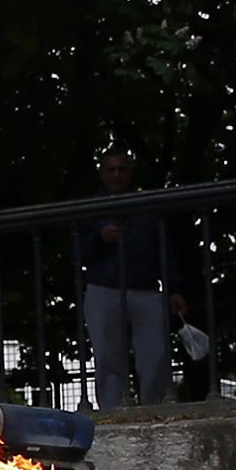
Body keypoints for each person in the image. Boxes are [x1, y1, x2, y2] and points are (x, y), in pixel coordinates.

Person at [75, 148, 179, 410]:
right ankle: (113, 410)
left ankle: (154, 408)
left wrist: (174, 288)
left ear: (130, 172)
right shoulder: (90, 208)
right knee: (107, 356)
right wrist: (100, 239)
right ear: (102, 174)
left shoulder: (146, 207)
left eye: (122, 169)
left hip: (145, 288)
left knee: (155, 354)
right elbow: (76, 252)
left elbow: (164, 249)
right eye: (111, 170)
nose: (117, 175)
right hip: (103, 288)